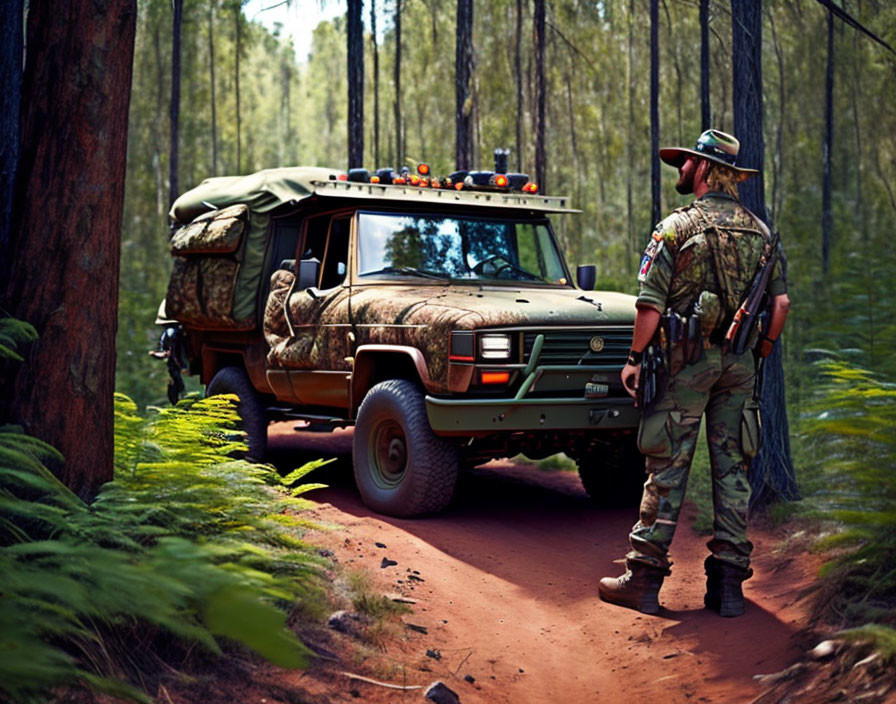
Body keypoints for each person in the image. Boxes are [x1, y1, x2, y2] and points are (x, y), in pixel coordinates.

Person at [598, 129, 791, 617]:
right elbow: (781, 303)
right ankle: (727, 586)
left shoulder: (677, 228)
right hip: (741, 365)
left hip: (684, 365)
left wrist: (635, 358)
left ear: (704, 169)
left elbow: (649, 304)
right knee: (733, 469)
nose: (681, 169)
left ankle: (643, 578)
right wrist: (761, 347)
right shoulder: (761, 232)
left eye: (686, 163)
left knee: (667, 464)